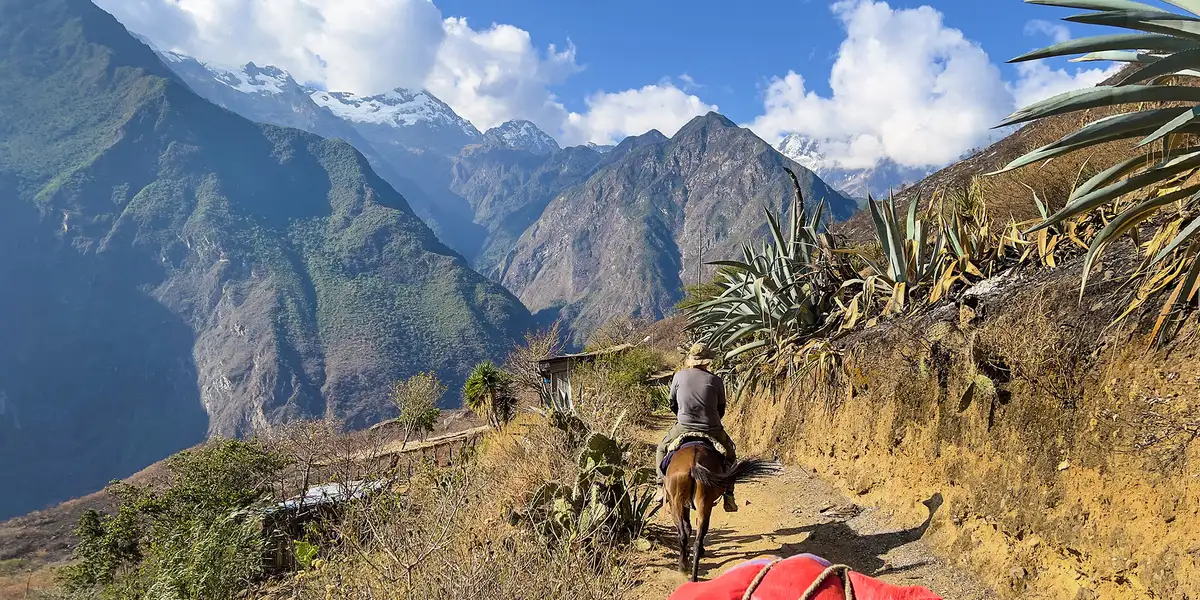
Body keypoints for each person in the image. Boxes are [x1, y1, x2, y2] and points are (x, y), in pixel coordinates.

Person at [654, 342, 738, 513]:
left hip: (683, 426)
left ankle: (660, 486)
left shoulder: (678, 376)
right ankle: (729, 495)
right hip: (711, 427)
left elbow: (672, 403)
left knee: (662, 448)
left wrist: (682, 416)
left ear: (691, 360)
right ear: (707, 362)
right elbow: (721, 408)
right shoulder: (716, 380)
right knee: (731, 454)